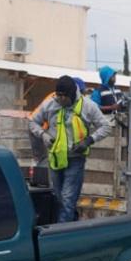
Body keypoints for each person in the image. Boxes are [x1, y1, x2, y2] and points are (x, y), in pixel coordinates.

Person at [29, 76, 111, 223]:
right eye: (58, 95)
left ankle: (61, 234)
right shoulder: (50, 105)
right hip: (55, 159)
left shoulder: (88, 106)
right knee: (59, 198)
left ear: (72, 94)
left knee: (67, 199)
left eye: (63, 96)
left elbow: (106, 126)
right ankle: (73, 226)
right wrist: (43, 135)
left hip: (75, 159)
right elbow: (32, 122)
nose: (60, 99)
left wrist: (89, 140)